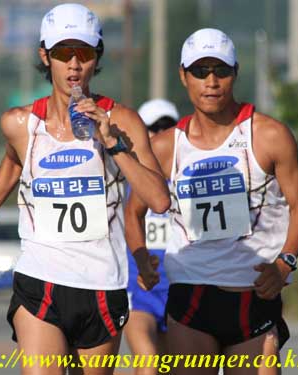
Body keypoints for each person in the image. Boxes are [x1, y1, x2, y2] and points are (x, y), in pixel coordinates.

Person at [0, 4, 170, 375]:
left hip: (102, 285)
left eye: (85, 53)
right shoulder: (19, 123)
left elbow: (159, 199)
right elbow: (13, 161)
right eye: (64, 53)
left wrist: (112, 144)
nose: (74, 64)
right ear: (45, 56)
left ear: (97, 58)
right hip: (41, 280)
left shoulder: (123, 121)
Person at [125, 28, 298, 375]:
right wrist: (141, 257)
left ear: (235, 73)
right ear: (183, 76)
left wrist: (285, 264)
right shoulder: (167, 147)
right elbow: (133, 210)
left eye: (220, 71)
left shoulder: (269, 136)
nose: (211, 81)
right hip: (192, 297)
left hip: (253, 295)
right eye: (200, 71)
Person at [124, 99, 179, 375]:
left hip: (180, 289)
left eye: (167, 126)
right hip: (141, 291)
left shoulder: (189, 178)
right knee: (148, 363)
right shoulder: (129, 178)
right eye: (152, 127)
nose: (160, 133)